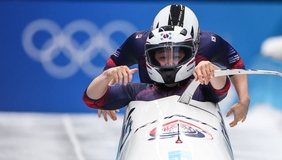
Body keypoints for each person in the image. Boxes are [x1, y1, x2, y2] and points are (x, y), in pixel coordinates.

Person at [98, 4, 249, 127]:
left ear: (196, 43)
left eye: (178, 51)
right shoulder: (138, 42)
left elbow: (235, 64)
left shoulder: (210, 43)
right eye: (161, 52)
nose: (169, 60)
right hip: (150, 103)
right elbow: (113, 66)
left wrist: (244, 100)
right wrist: (105, 92)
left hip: (194, 103)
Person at [83, 25, 230, 111]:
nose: (169, 63)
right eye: (163, 57)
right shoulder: (137, 91)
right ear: (151, 59)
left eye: (176, 56)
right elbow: (92, 99)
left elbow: (221, 88)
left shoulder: (201, 89)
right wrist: (106, 76)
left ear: (188, 57)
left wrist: (212, 69)